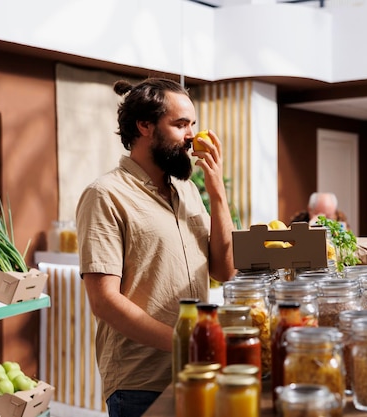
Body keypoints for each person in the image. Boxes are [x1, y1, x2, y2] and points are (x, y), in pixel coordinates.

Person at [75, 77, 236, 417]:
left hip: (195, 370)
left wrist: (218, 192)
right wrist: (186, 343)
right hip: (141, 382)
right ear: (145, 125)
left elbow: (225, 270)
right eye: (180, 124)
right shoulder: (105, 194)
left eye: (192, 124)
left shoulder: (189, 191)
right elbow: (104, 301)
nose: (191, 135)